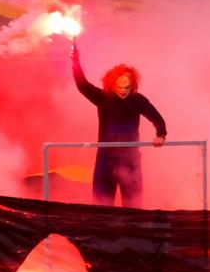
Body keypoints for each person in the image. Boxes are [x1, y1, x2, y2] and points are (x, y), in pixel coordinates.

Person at [71, 41, 167, 207]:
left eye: (127, 86)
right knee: (101, 207)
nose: (123, 89)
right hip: (105, 160)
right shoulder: (103, 98)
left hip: (130, 161)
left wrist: (161, 135)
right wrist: (75, 63)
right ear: (112, 84)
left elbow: (157, 118)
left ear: (133, 85)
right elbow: (82, 85)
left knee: (133, 208)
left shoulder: (138, 100)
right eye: (119, 86)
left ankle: (132, 232)